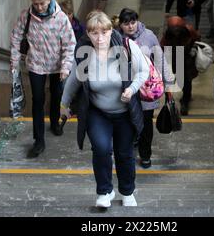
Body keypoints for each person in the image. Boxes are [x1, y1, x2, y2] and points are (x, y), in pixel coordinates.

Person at [60, 11, 149, 208]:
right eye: (94, 33)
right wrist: (63, 105)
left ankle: (127, 191)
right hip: (97, 112)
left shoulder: (126, 47)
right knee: (101, 149)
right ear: (88, 34)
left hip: (125, 113)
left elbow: (144, 70)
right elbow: (73, 80)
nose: (99, 38)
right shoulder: (84, 53)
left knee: (124, 154)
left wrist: (131, 89)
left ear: (111, 31)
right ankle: (104, 191)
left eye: (104, 32)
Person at [10, 0, 76, 158]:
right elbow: (16, 36)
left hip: (57, 67)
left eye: (42, 3)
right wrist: (15, 59)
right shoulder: (26, 16)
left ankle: (54, 122)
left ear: (50, 0)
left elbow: (70, 44)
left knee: (56, 94)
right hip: (35, 65)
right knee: (37, 100)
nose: (39, 7)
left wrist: (65, 66)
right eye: (36, 4)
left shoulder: (61, 18)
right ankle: (39, 141)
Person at [118, 8, 175, 169]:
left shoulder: (148, 36)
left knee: (146, 123)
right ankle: (130, 147)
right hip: (125, 88)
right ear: (120, 25)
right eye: (126, 23)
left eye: (133, 22)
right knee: (127, 122)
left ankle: (145, 154)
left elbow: (161, 60)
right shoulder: (116, 38)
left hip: (147, 89)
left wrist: (169, 85)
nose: (130, 27)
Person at [160, 16, 200, 116]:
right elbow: (162, 46)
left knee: (187, 79)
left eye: (178, 29)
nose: (176, 32)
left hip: (187, 56)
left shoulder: (189, 30)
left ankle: (185, 100)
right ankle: (186, 95)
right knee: (181, 78)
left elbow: (197, 38)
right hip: (176, 57)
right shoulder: (167, 35)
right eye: (174, 30)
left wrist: (194, 48)